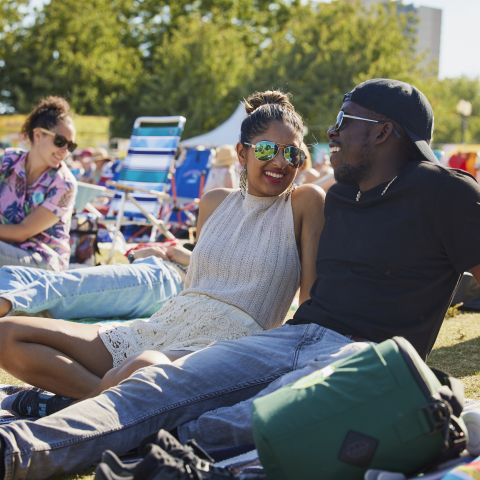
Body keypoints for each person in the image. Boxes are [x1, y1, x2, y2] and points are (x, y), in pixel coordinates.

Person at [0, 78, 479, 480]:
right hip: (290, 336)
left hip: (363, 355)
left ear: (383, 132)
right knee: (154, 388)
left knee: (230, 423)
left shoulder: (444, 191)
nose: (330, 134)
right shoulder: (340, 197)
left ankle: (154, 463)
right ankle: (15, 447)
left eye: (344, 121)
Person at [0, 90, 324, 404]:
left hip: (228, 347)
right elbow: (211, 272)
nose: (281, 162)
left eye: (292, 153)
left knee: (139, 370)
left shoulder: (304, 202)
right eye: (268, 150)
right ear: (242, 153)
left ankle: (92, 406)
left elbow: (308, 304)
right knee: (8, 334)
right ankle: (99, 405)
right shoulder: (214, 202)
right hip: (166, 325)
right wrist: (175, 254)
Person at [0, 244, 186, 319]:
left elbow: (178, 254)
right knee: (11, 274)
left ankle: (8, 305)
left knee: (68, 286)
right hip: (158, 274)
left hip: (166, 279)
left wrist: (178, 254)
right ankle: (16, 314)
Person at [0, 97, 78, 271]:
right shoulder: (8, 161)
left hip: (43, 260)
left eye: (71, 146)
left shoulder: (64, 184)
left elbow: (23, 232)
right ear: (37, 135)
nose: (65, 150)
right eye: (60, 141)